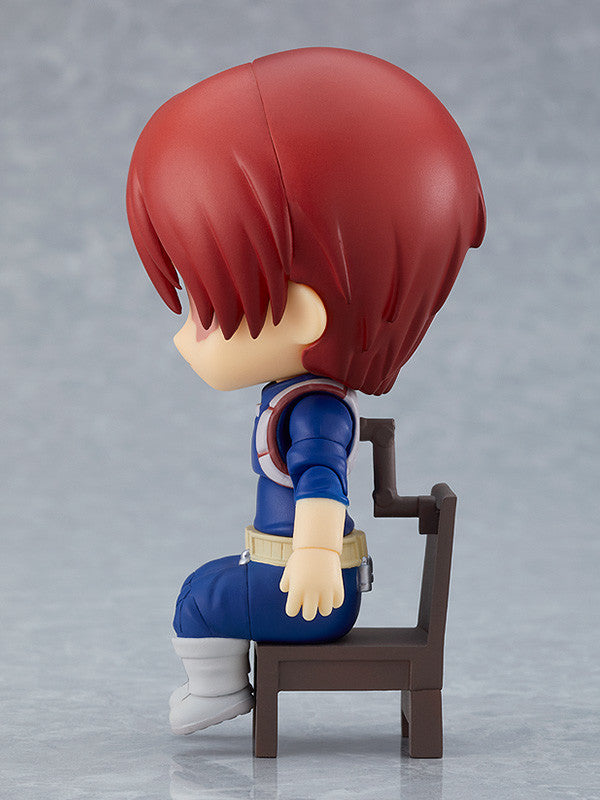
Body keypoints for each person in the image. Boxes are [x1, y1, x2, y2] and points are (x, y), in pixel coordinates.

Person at [126, 46, 486, 735]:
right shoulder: (298, 394)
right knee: (205, 584)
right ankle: (219, 686)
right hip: (295, 573)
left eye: (206, 309)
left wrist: (316, 557)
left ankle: (217, 692)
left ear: (301, 317)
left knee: (199, 600)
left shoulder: (313, 409)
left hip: (309, 590)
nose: (186, 334)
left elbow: (323, 481)